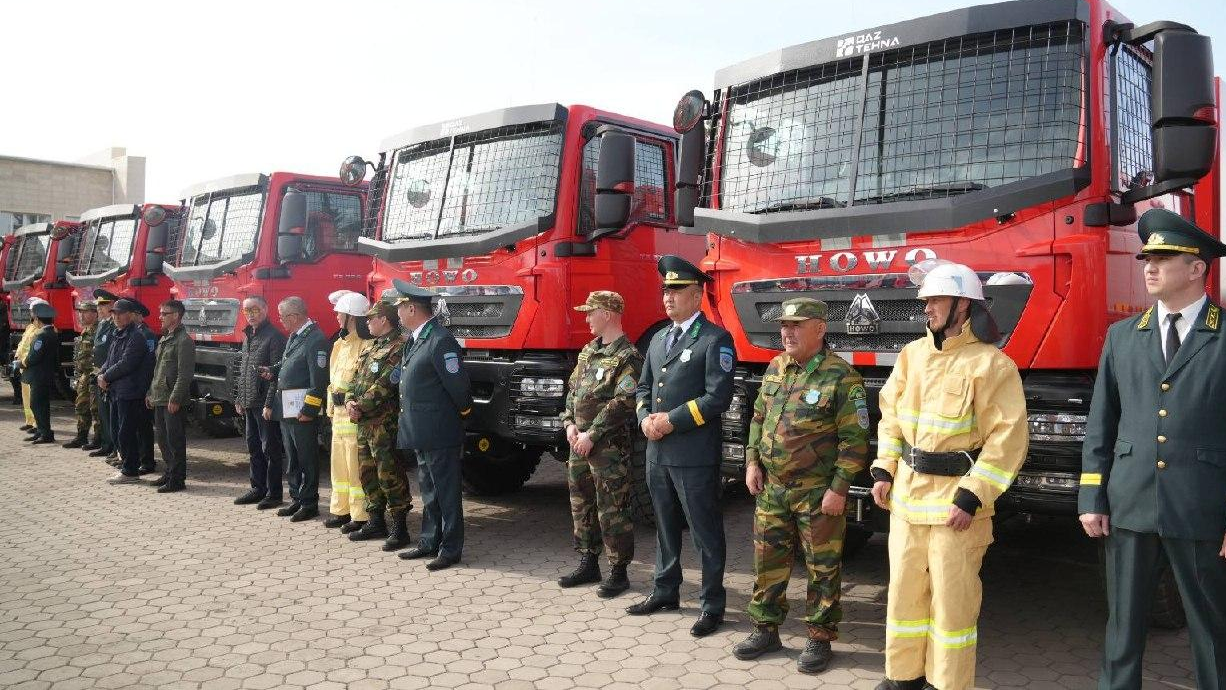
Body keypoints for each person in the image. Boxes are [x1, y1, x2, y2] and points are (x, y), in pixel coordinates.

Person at [1079, 208, 1226, 690]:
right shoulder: (1122, 337)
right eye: (1147, 258)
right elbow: (1101, 424)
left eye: (1164, 258)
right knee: (1122, 629)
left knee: (1211, 629)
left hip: (1201, 507)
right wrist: (1092, 497)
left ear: (1198, 267)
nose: (1149, 267)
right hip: (1130, 504)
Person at [870, 261, 1027, 690]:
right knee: (904, 596)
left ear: (963, 305)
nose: (927, 308)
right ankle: (903, 678)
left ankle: (947, 684)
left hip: (955, 508)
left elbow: (1007, 439)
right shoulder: (911, 356)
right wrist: (884, 467)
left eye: (936, 300)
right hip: (906, 501)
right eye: (926, 301)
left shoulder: (992, 365)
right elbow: (891, 418)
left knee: (952, 608)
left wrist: (972, 495)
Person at [731, 298, 869, 673]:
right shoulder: (776, 367)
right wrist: (752, 461)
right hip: (772, 489)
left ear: (820, 328)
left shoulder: (842, 377)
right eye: (784, 325)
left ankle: (820, 637)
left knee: (821, 568)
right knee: (767, 563)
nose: (787, 332)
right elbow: (758, 418)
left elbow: (855, 441)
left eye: (796, 325)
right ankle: (765, 630)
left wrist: (839, 488)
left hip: (817, 493)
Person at [627, 256, 735, 638]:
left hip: (693, 455)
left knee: (705, 533)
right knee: (664, 526)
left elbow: (717, 397)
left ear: (697, 294)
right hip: (657, 453)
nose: (668, 298)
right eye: (665, 291)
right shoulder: (659, 338)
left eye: (677, 290)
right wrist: (644, 417)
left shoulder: (714, 339)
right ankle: (665, 590)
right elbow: (643, 387)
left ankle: (712, 605)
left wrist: (671, 420)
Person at [557, 290, 642, 598]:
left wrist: (591, 435)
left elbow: (623, 402)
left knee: (612, 507)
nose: (587, 318)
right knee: (582, 503)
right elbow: (573, 391)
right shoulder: (588, 351)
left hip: (607, 448)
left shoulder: (628, 356)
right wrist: (569, 424)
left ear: (607, 314)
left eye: (590, 312)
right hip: (578, 443)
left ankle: (618, 572)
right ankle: (588, 562)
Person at [393, 280, 473, 571]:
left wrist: (462, 413)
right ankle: (429, 541)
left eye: (400, 308)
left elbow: (459, 386)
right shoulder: (416, 339)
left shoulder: (440, 340)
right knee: (428, 490)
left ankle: (450, 549)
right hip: (421, 430)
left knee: (446, 493)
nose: (397, 314)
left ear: (412, 309)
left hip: (439, 430)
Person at [346, 298, 413, 550]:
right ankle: (376, 521)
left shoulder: (400, 346)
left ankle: (399, 528)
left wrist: (359, 406)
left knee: (389, 473)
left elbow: (386, 383)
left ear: (383, 319)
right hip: (364, 423)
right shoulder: (371, 346)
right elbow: (355, 378)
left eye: (370, 319)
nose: (367, 323)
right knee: (367, 473)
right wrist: (350, 401)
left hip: (384, 424)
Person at [268, 296, 329, 522]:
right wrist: (273, 370)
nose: (280, 320)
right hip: (288, 410)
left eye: (282, 317)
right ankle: (296, 498)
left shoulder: (316, 339)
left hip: (302, 412)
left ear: (294, 316)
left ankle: (309, 503)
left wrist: (309, 410)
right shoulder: (296, 336)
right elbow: (290, 363)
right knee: (293, 458)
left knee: (306, 459)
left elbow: (318, 380)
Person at [232, 296, 287, 509]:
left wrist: (269, 403)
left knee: (270, 449)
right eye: (247, 311)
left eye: (255, 310)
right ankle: (258, 488)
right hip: (249, 402)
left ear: (265, 309)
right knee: (253, 447)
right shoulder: (248, 336)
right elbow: (244, 371)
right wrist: (240, 397)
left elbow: (276, 375)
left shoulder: (274, 337)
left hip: (264, 404)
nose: (251, 314)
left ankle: (274, 494)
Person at [324, 291, 372, 531]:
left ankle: (360, 514)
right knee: (339, 466)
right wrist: (330, 410)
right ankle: (340, 510)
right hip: (339, 416)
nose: (336, 317)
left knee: (356, 468)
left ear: (351, 316)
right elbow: (332, 382)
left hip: (354, 416)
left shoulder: (366, 345)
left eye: (339, 313)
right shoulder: (338, 345)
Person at [101, 298, 155, 484]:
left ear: (131, 315)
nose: (116, 317)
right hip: (117, 391)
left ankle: (130, 471)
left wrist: (106, 377)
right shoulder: (118, 334)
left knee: (127, 433)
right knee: (117, 431)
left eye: (120, 313)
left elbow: (127, 363)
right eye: (114, 313)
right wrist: (101, 374)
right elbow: (110, 359)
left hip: (130, 392)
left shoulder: (136, 336)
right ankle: (127, 465)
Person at [147, 300, 195, 493]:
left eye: (164, 314)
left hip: (172, 400)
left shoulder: (184, 341)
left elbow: (185, 374)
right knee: (162, 439)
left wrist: (175, 398)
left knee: (175, 441)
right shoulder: (165, 338)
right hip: (160, 397)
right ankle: (169, 473)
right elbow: (158, 370)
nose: (160, 317)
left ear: (175, 316)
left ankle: (177, 479)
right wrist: (150, 392)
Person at [85, 290, 118, 457]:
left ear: (112, 305)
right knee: (102, 412)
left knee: (111, 414)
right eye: (98, 305)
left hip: (110, 375)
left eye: (103, 305)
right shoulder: (103, 324)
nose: (99, 308)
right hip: (99, 374)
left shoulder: (115, 325)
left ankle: (114, 447)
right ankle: (106, 444)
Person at [23, 302, 60, 444]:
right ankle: (41, 431)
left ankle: (45, 433)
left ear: (38, 319)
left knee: (37, 404)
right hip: (45, 375)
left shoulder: (42, 335)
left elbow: (34, 357)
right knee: (41, 404)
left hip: (39, 375)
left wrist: (22, 362)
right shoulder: (52, 333)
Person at [64, 300, 99, 448]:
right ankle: (81, 436)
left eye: (85, 312)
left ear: (95, 313)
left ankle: (98, 439)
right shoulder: (85, 331)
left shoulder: (99, 330)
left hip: (95, 375)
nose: (81, 315)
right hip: (84, 375)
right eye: (80, 312)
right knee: (81, 406)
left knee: (95, 409)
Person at [132, 301, 158, 475]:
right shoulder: (132, 333)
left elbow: (149, 363)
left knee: (143, 426)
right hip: (133, 386)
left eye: (131, 313)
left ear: (139, 316)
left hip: (142, 386)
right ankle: (137, 458)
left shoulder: (147, 335)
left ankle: (147, 461)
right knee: (134, 425)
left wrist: (147, 388)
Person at [13, 297, 46, 432]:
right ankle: (30, 421)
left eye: (32, 310)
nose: (30, 313)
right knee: (26, 396)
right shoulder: (30, 327)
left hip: (32, 366)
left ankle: (38, 424)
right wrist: (17, 356)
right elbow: (23, 344)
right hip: (24, 366)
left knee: (35, 398)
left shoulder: (42, 329)